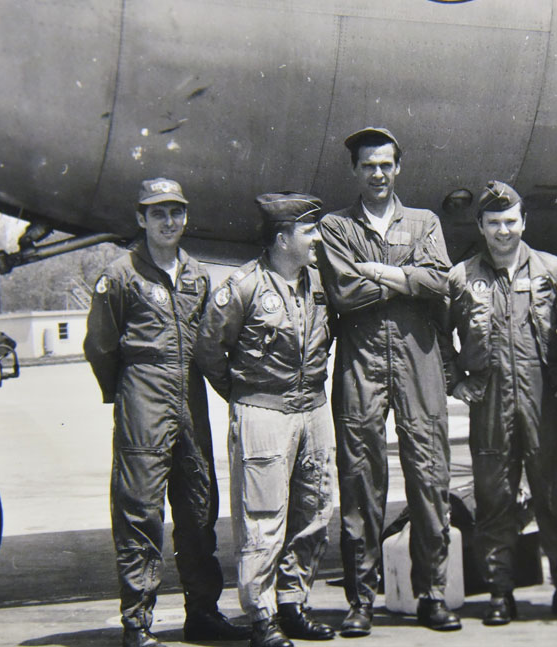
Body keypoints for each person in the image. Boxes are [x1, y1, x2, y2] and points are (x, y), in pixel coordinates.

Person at [84, 178, 249, 647]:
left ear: (185, 217)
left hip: (190, 394)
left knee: (198, 506)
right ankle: (137, 622)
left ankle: (202, 613)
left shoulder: (197, 275)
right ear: (141, 219)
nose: (168, 221)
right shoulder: (120, 275)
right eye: (157, 213)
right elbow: (100, 345)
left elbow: (208, 340)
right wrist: (126, 393)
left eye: (175, 212)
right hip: (143, 391)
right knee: (140, 510)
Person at [317, 127, 460, 635]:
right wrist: (406, 280)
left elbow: (439, 280)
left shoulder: (424, 221)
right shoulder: (336, 227)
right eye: (367, 166)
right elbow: (343, 291)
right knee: (360, 478)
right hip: (361, 364)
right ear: (355, 171)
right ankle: (361, 600)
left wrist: (379, 272)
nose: (377, 174)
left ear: (398, 168)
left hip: (417, 361)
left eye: (385, 165)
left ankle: (433, 593)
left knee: (429, 473)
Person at [195, 192, 338, 647]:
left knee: (314, 510)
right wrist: (245, 398)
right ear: (282, 238)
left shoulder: (318, 282)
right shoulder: (241, 287)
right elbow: (208, 351)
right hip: (264, 412)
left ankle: (294, 605)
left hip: (313, 408)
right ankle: (263, 618)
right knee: (262, 518)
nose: (317, 238)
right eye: (308, 231)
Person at [444, 181, 557, 625]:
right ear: (481, 227)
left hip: (543, 401)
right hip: (490, 405)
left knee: (554, 496)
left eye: (511, 222)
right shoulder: (462, 277)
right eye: (494, 223)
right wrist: (455, 382)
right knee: (495, 500)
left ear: (524, 222)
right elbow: (437, 337)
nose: (503, 231)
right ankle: (500, 593)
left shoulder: (553, 270)